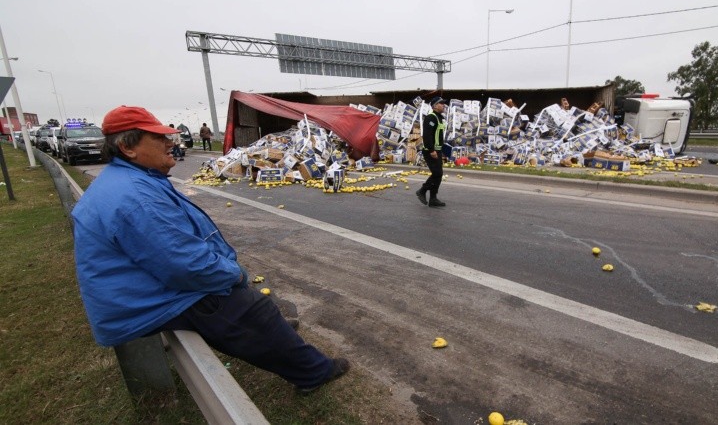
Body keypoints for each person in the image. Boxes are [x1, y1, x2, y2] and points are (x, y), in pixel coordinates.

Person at [72, 105, 348, 393]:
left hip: (133, 296)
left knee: (246, 303)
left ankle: (274, 336)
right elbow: (186, 266)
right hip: (144, 305)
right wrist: (234, 273)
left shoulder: (126, 180)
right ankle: (314, 372)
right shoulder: (137, 196)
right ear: (128, 147)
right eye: (159, 138)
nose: (172, 143)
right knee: (249, 305)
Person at [416, 96, 447, 207]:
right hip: (430, 151)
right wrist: (432, 150)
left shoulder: (439, 117)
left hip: (437, 150)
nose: (443, 105)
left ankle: (433, 199)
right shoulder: (431, 117)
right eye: (441, 103)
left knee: (438, 174)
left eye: (443, 103)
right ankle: (422, 191)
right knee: (437, 173)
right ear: (435, 106)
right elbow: (427, 136)